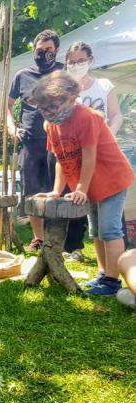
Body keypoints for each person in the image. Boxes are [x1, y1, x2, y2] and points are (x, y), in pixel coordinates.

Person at [32, 71, 135, 296]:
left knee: (109, 230)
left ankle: (111, 281)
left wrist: (80, 188)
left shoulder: (88, 117)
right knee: (96, 231)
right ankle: (102, 274)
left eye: (52, 106)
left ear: (71, 98)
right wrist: (56, 191)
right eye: (43, 108)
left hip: (112, 179)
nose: (47, 113)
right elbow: (60, 158)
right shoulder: (52, 126)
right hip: (92, 185)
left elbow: (89, 156)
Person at [52, 41, 127, 262]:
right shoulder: (64, 93)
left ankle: (114, 273)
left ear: (90, 61)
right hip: (80, 162)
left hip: (104, 158)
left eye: (80, 61)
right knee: (94, 224)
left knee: (109, 225)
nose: (75, 65)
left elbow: (116, 115)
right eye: (71, 62)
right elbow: (62, 154)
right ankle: (101, 268)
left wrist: (107, 136)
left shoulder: (103, 86)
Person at [7, 29, 65, 252]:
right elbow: (8, 106)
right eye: (39, 50)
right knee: (32, 190)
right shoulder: (22, 75)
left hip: (59, 140)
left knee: (57, 189)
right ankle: (38, 238)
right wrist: (12, 127)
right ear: (34, 50)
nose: (43, 54)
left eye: (48, 50)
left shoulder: (64, 72)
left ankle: (57, 238)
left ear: (56, 50)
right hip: (30, 140)